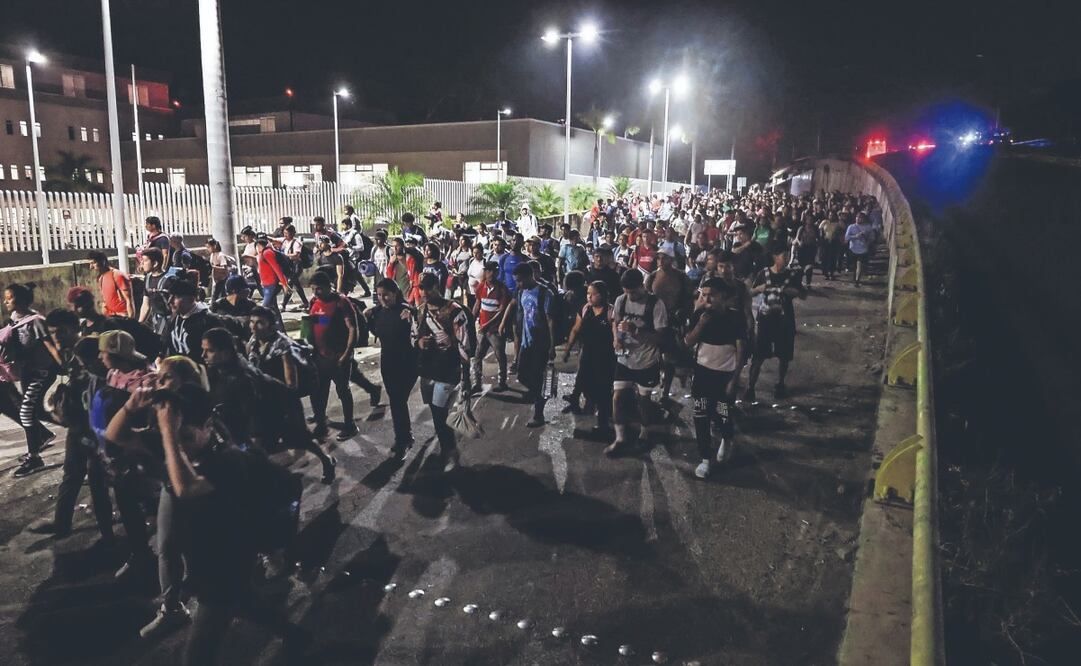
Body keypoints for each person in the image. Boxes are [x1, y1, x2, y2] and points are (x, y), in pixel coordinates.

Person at [29, 311, 115, 540]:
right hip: (78, 424)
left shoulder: (92, 347)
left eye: (58, 332)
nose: (55, 337)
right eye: (53, 332)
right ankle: (62, 524)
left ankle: (108, 535)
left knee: (98, 481)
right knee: (72, 475)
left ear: (70, 328)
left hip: (96, 425)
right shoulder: (68, 354)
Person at [245, 307, 337, 481]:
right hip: (262, 403)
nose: (254, 326)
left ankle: (327, 460)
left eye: (260, 323)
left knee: (302, 439)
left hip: (284, 403)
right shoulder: (254, 341)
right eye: (252, 322)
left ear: (272, 326)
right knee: (259, 442)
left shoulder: (283, 346)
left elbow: (291, 384)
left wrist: (265, 382)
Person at [685, 278, 747, 479]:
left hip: (724, 377)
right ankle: (705, 459)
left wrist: (734, 379)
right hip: (702, 375)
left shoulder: (736, 318)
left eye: (711, 294)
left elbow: (741, 350)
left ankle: (727, 437)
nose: (706, 298)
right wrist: (701, 324)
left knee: (722, 414)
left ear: (723, 296)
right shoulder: (700, 315)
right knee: (701, 415)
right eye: (703, 294)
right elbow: (688, 342)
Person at [411, 272, 470, 471]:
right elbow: (414, 334)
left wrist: (466, 375)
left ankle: (448, 448)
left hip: (448, 369)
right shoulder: (420, 310)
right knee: (435, 408)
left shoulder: (454, 310)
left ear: (438, 286)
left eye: (429, 287)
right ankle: (445, 439)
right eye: (421, 288)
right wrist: (419, 342)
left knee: (438, 410)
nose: (425, 292)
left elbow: (464, 342)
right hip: (428, 369)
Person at [2, 283, 61, 477]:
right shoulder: (13, 319)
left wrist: (66, 367)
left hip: (41, 372)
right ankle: (78, 427)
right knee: (37, 413)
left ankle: (34, 457)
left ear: (20, 300)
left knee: (26, 412)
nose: (5, 301)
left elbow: (50, 346)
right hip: (27, 372)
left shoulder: (36, 320)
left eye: (9, 298)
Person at [607, 268, 668, 455]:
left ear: (642, 286)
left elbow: (662, 337)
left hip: (647, 360)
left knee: (644, 401)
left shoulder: (656, 304)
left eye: (633, 292)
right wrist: (616, 338)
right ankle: (620, 438)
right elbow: (615, 322)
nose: (630, 296)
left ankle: (645, 433)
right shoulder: (620, 300)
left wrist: (636, 331)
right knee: (617, 398)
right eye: (626, 291)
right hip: (625, 359)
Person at [745, 243, 805, 401]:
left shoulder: (792, 275)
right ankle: (750, 388)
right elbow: (750, 292)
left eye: (787, 256)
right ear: (774, 257)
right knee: (758, 356)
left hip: (785, 321)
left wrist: (790, 291)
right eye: (783, 256)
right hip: (765, 320)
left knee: (784, 355)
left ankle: (780, 384)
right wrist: (759, 289)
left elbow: (803, 294)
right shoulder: (763, 273)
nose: (786, 259)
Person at [307, 271, 359, 441]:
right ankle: (321, 424)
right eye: (313, 289)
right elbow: (318, 322)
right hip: (319, 357)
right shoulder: (314, 302)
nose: (315, 293)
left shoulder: (341, 302)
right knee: (319, 391)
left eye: (319, 289)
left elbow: (352, 328)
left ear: (329, 286)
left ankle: (350, 425)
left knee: (343, 391)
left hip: (338, 357)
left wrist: (346, 354)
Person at [369, 279, 419, 455]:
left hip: (407, 363)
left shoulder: (406, 311)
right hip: (388, 363)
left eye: (386, 295)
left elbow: (419, 325)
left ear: (395, 293)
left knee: (398, 401)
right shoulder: (377, 313)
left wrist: (412, 316)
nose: (382, 298)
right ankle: (406, 436)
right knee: (397, 401)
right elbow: (376, 331)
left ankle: (402, 440)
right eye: (379, 295)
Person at [562, 280, 615, 437]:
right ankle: (577, 404)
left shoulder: (611, 312)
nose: (589, 297)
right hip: (587, 352)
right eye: (588, 294)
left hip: (605, 356)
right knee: (583, 381)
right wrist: (567, 350)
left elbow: (616, 336)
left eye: (593, 294)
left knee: (603, 388)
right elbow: (576, 329)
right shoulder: (585, 309)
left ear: (603, 295)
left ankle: (603, 423)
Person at [507, 263, 556, 427]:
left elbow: (551, 321)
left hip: (541, 343)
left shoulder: (545, 293)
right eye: (516, 281)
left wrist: (552, 346)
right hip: (526, 342)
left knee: (536, 377)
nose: (518, 284)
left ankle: (538, 413)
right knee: (522, 375)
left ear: (530, 276)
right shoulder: (522, 292)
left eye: (520, 281)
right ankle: (539, 394)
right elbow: (523, 316)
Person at [160, 279, 228, 362]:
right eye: (170, 296)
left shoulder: (208, 321)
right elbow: (163, 345)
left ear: (191, 299)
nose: (170, 301)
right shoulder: (173, 319)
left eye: (176, 297)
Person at [470, 260, 510, 393]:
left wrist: (486, 324)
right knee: (477, 356)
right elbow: (478, 304)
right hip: (482, 329)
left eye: (493, 270)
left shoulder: (502, 289)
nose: (490, 273)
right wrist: (472, 319)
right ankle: (477, 383)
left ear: (497, 272)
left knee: (500, 355)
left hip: (495, 330)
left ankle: (502, 382)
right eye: (488, 270)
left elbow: (501, 311)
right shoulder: (481, 287)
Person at [254, 234, 291, 328]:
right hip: (267, 285)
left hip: (271, 285)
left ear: (258, 245)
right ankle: (281, 331)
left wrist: (284, 284)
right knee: (274, 310)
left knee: (264, 309)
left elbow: (277, 269)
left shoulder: (267, 253)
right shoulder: (263, 254)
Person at [137, 248, 175, 335]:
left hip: (171, 322)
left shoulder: (170, 280)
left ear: (155, 263)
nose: (142, 263)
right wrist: (139, 324)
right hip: (156, 322)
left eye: (145, 260)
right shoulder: (147, 279)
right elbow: (146, 304)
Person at [88, 250, 135, 318]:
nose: (91, 267)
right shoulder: (101, 278)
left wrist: (130, 321)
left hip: (122, 317)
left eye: (94, 263)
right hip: (110, 318)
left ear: (103, 261)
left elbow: (129, 300)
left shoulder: (117, 275)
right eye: (90, 264)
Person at [279, 223, 310, 311]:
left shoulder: (297, 242)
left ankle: (283, 304)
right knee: (296, 285)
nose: (285, 235)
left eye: (287, 233)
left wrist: (285, 255)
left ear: (292, 233)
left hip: (296, 266)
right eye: (284, 233)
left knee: (290, 283)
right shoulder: (285, 241)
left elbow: (296, 255)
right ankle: (305, 302)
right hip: (290, 266)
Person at [844, 211, 875, 286]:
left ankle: (857, 280)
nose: (858, 219)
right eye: (857, 217)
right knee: (854, 266)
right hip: (853, 249)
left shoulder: (868, 227)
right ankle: (855, 278)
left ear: (863, 219)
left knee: (860, 265)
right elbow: (846, 237)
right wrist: (855, 236)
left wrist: (868, 241)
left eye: (860, 218)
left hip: (863, 249)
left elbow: (872, 237)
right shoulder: (851, 227)